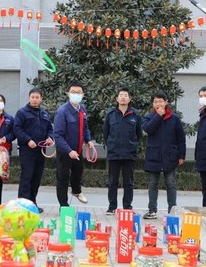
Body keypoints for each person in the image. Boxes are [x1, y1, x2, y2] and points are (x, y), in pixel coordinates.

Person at [142, 91, 186, 219]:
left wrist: (181, 155)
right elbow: (148, 129)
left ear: (166, 102)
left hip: (170, 156)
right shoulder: (149, 117)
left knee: (171, 183)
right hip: (153, 155)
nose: (158, 104)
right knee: (152, 184)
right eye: (155, 102)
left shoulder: (174, 118)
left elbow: (181, 138)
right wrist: (158, 116)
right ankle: (152, 210)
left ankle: (172, 211)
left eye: (161, 101)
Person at [53, 81, 95, 207]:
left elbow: (85, 127)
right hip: (65, 151)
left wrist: (89, 140)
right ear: (68, 93)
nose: (76, 95)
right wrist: (69, 151)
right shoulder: (62, 111)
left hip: (78, 150)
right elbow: (57, 135)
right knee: (63, 178)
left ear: (83, 94)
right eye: (73, 92)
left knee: (78, 172)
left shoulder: (82, 109)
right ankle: (64, 206)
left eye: (78, 92)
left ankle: (76, 191)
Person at [102, 88, 141, 216]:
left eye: (125, 95)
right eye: (121, 95)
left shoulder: (135, 115)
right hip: (114, 154)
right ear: (117, 99)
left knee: (128, 182)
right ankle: (112, 207)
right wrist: (111, 145)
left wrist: (132, 145)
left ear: (129, 99)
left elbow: (138, 134)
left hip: (129, 154)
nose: (123, 97)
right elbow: (106, 133)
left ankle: (127, 207)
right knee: (112, 182)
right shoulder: (110, 114)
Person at [14, 88, 53, 211]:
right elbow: (17, 129)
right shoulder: (22, 113)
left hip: (41, 151)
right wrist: (28, 140)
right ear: (29, 98)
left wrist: (50, 138)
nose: (35, 100)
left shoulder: (44, 114)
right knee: (27, 176)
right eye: (32, 97)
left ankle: (32, 203)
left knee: (37, 177)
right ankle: (23, 205)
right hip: (27, 150)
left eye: (37, 97)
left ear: (41, 99)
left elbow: (50, 129)